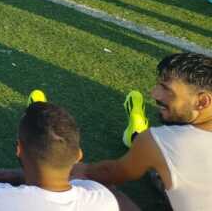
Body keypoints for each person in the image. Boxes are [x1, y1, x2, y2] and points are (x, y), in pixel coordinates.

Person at [73, 52, 212, 211]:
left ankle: (136, 137)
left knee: (107, 194)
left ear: (202, 101)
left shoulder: (161, 141)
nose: (154, 94)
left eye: (167, 89)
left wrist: (73, 168)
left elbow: (112, 172)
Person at [0, 102, 119, 211]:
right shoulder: (103, 200)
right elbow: (80, 174)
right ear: (78, 155)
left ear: (19, 149)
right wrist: (11, 175)